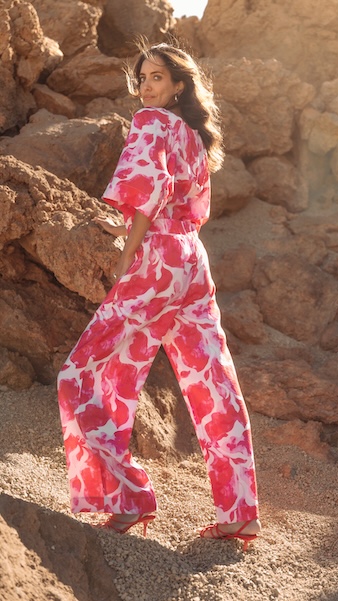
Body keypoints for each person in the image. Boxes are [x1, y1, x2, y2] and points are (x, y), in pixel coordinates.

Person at [57, 41, 261, 551]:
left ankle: (128, 496)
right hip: (191, 260)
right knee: (214, 384)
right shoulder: (194, 134)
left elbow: (147, 191)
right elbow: (178, 204)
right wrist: (126, 227)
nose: (146, 87)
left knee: (80, 374)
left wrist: (127, 253)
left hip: (155, 265)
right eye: (143, 77)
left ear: (178, 86)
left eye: (157, 78)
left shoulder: (151, 122)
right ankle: (240, 514)